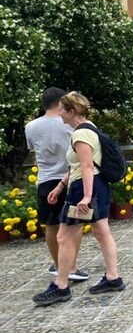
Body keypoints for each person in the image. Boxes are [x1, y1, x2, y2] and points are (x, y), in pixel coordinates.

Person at [33, 92, 125, 305]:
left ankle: (61, 285)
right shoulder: (90, 128)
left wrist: (84, 196)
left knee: (64, 237)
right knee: (102, 232)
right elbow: (78, 165)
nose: (59, 114)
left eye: (62, 110)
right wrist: (60, 185)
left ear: (71, 111)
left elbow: (86, 165)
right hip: (97, 186)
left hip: (84, 189)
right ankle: (113, 277)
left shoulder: (80, 135)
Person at [25, 87, 88, 282]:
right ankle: (72, 266)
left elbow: (32, 149)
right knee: (74, 224)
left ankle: (59, 264)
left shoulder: (31, 126)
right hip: (70, 178)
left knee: (51, 225)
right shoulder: (70, 124)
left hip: (45, 179)